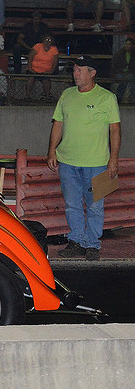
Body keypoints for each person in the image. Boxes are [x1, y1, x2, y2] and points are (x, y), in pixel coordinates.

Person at [48, 56, 121, 261]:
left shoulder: (107, 98)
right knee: (72, 204)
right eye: (74, 70)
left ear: (92, 72)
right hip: (68, 161)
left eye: (80, 70)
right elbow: (58, 124)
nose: (75, 74)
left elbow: (115, 129)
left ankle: (92, 244)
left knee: (96, 205)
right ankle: (76, 241)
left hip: (97, 163)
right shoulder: (67, 95)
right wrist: (52, 150)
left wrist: (113, 159)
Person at [26, 35, 59, 101]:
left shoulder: (54, 49)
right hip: (34, 69)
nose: (47, 42)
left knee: (46, 81)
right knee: (31, 79)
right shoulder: (38, 46)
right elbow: (30, 56)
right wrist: (30, 68)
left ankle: (47, 97)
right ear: (43, 40)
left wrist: (50, 72)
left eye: (49, 40)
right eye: (46, 39)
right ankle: (27, 96)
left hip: (45, 70)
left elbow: (55, 62)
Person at [112, 37, 135, 104]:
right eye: (126, 44)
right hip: (119, 73)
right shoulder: (119, 54)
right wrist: (122, 71)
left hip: (130, 73)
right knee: (123, 81)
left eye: (129, 44)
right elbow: (115, 65)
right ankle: (118, 98)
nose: (127, 46)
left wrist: (129, 71)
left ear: (132, 46)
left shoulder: (133, 54)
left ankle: (120, 98)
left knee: (132, 81)